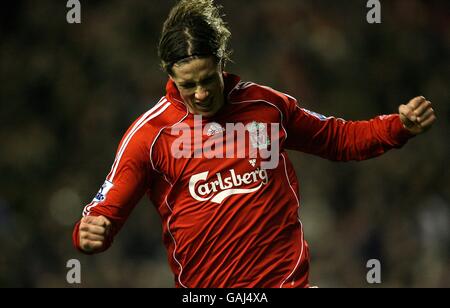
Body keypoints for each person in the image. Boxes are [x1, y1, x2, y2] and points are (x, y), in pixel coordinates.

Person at [72, 0, 436, 288]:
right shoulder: (149, 136)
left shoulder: (266, 106)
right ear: (169, 75)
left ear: (221, 63)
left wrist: (397, 126)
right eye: (188, 84)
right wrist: (90, 232)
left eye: (207, 79)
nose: (200, 93)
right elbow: (104, 211)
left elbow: (338, 139)